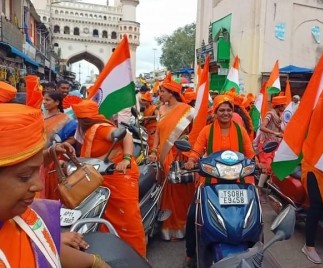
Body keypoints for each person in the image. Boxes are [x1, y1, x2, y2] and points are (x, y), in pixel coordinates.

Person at [0, 102, 109, 268]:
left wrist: (94, 262)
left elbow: (42, 248)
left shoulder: (21, 217)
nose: (39, 185)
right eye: (24, 177)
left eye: (38, 170)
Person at [182, 95, 256, 268]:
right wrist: (192, 160)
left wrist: (257, 162)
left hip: (238, 182)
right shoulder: (207, 130)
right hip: (211, 182)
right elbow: (196, 150)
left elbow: (249, 152)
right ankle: (190, 254)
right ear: (215, 112)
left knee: (252, 215)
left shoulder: (240, 130)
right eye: (221, 110)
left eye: (229, 110)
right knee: (193, 215)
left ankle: (254, 246)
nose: (226, 113)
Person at [72, 100, 146, 257]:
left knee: (128, 220)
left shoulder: (101, 129)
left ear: (83, 119)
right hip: (101, 177)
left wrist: (126, 158)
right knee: (103, 216)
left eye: (78, 118)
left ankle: (137, 258)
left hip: (120, 175)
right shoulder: (89, 131)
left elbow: (125, 135)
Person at [148, 72, 195, 241]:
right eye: (159, 91)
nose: (159, 94)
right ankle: (168, 227)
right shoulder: (160, 109)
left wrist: (186, 145)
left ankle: (182, 227)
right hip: (163, 156)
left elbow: (195, 133)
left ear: (171, 93)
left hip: (180, 156)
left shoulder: (187, 110)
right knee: (165, 192)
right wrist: (153, 151)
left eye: (162, 91)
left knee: (180, 193)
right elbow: (158, 134)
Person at [42, 91, 77, 199]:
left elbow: (73, 139)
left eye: (47, 100)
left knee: (54, 185)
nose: (44, 102)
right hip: (41, 157)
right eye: (43, 99)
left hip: (56, 157)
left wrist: (59, 145)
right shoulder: (40, 116)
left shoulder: (66, 119)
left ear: (57, 102)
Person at [255, 95, 286, 203]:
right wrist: (275, 133)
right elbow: (262, 127)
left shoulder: (280, 115)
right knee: (266, 168)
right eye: (284, 104)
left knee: (273, 168)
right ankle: (258, 191)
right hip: (267, 144)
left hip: (275, 144)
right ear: (280, 105)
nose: (285, 106)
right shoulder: (270, 114)